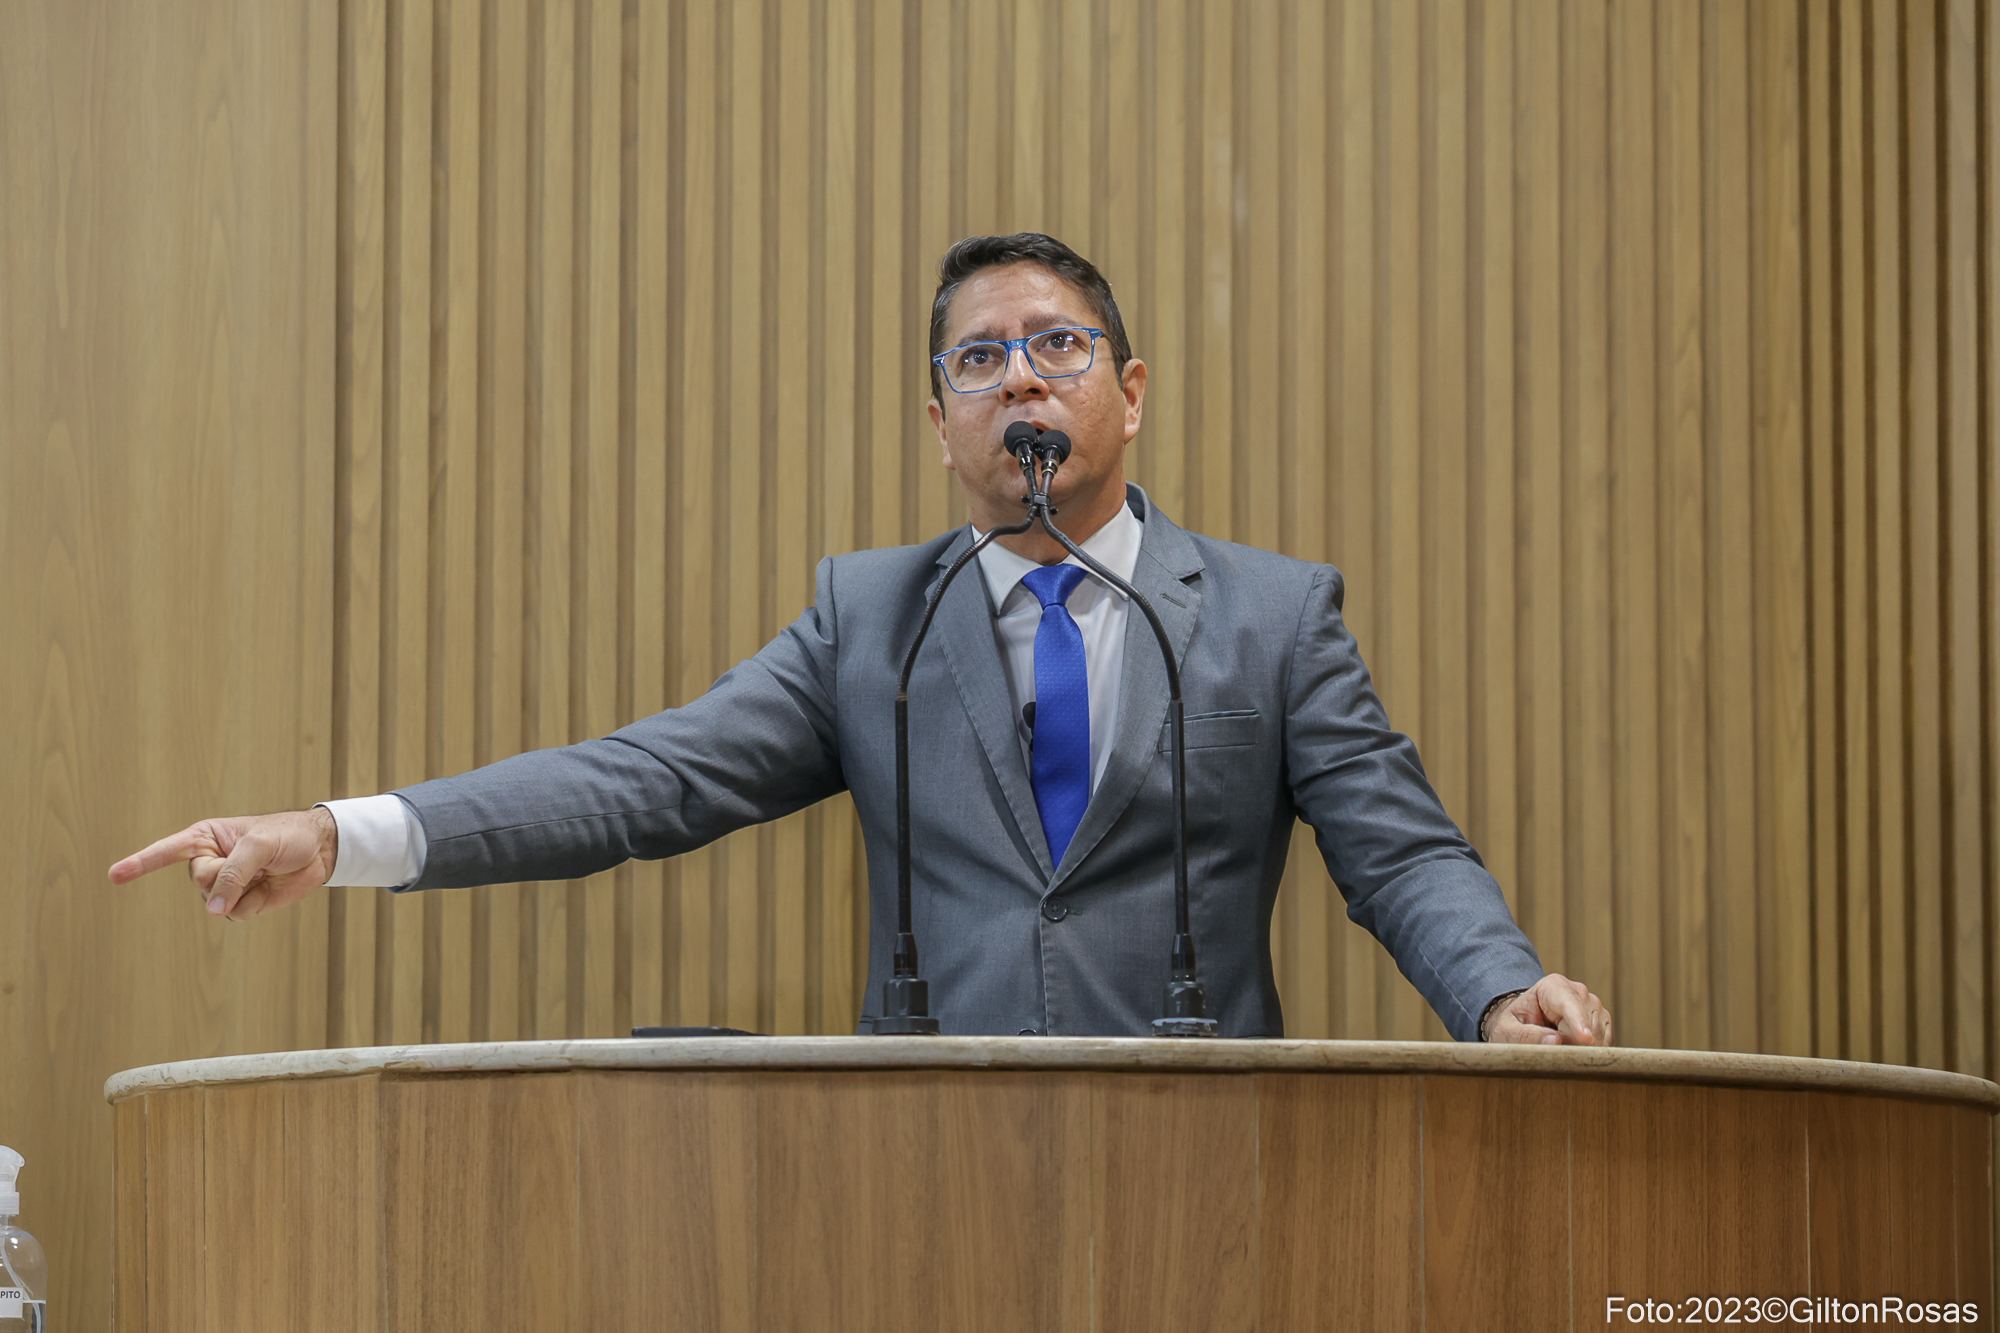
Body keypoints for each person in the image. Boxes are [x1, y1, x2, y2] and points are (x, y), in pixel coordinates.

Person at [111, 233, 1610, 1046]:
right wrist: (341, 834)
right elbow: (647, 780)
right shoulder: (872, 620)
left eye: (1060, 345)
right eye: (979, 358)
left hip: (1219, 1173)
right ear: (940, 419)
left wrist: (1498, 989)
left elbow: (1398, 851)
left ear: (1132, 390)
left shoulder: (1274, 616)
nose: (1022, 379)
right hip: (915, 1178)